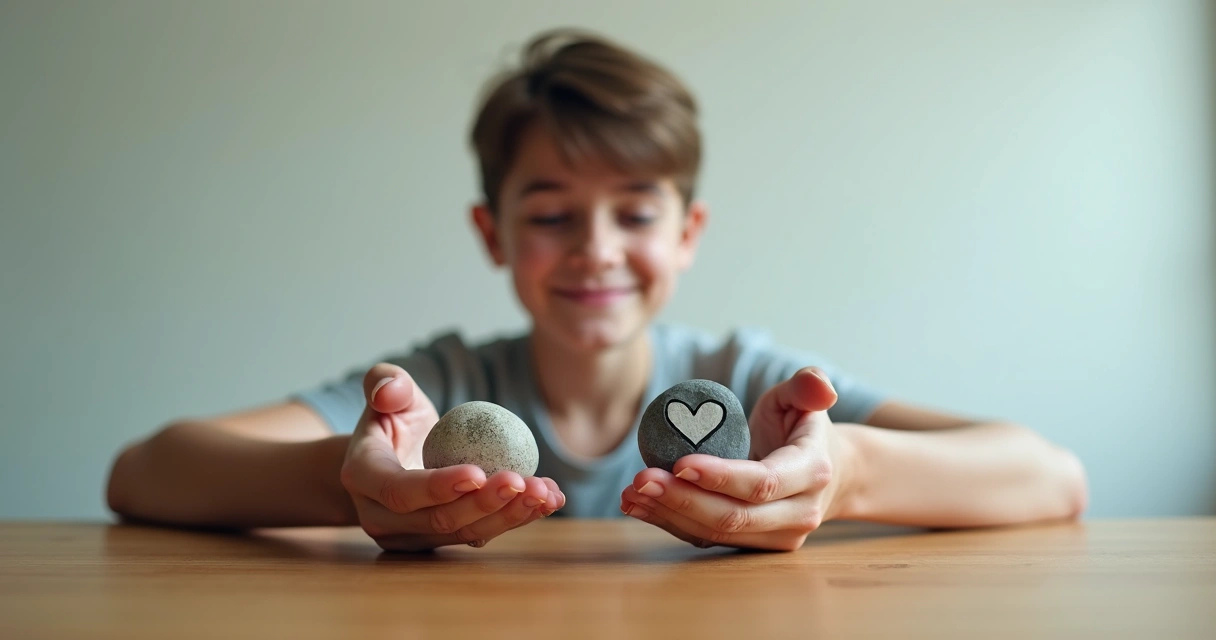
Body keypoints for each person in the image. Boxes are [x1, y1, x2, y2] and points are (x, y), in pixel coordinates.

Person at [105, 28, 1088, 552]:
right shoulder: (440, 384)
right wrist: (348, 484)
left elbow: (1051, 475)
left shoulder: (748, 381)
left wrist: (847, 478)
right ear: (491, 233)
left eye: (635, 210)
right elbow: (145, 470)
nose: (596, 250)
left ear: (688, 233)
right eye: (549, 212)